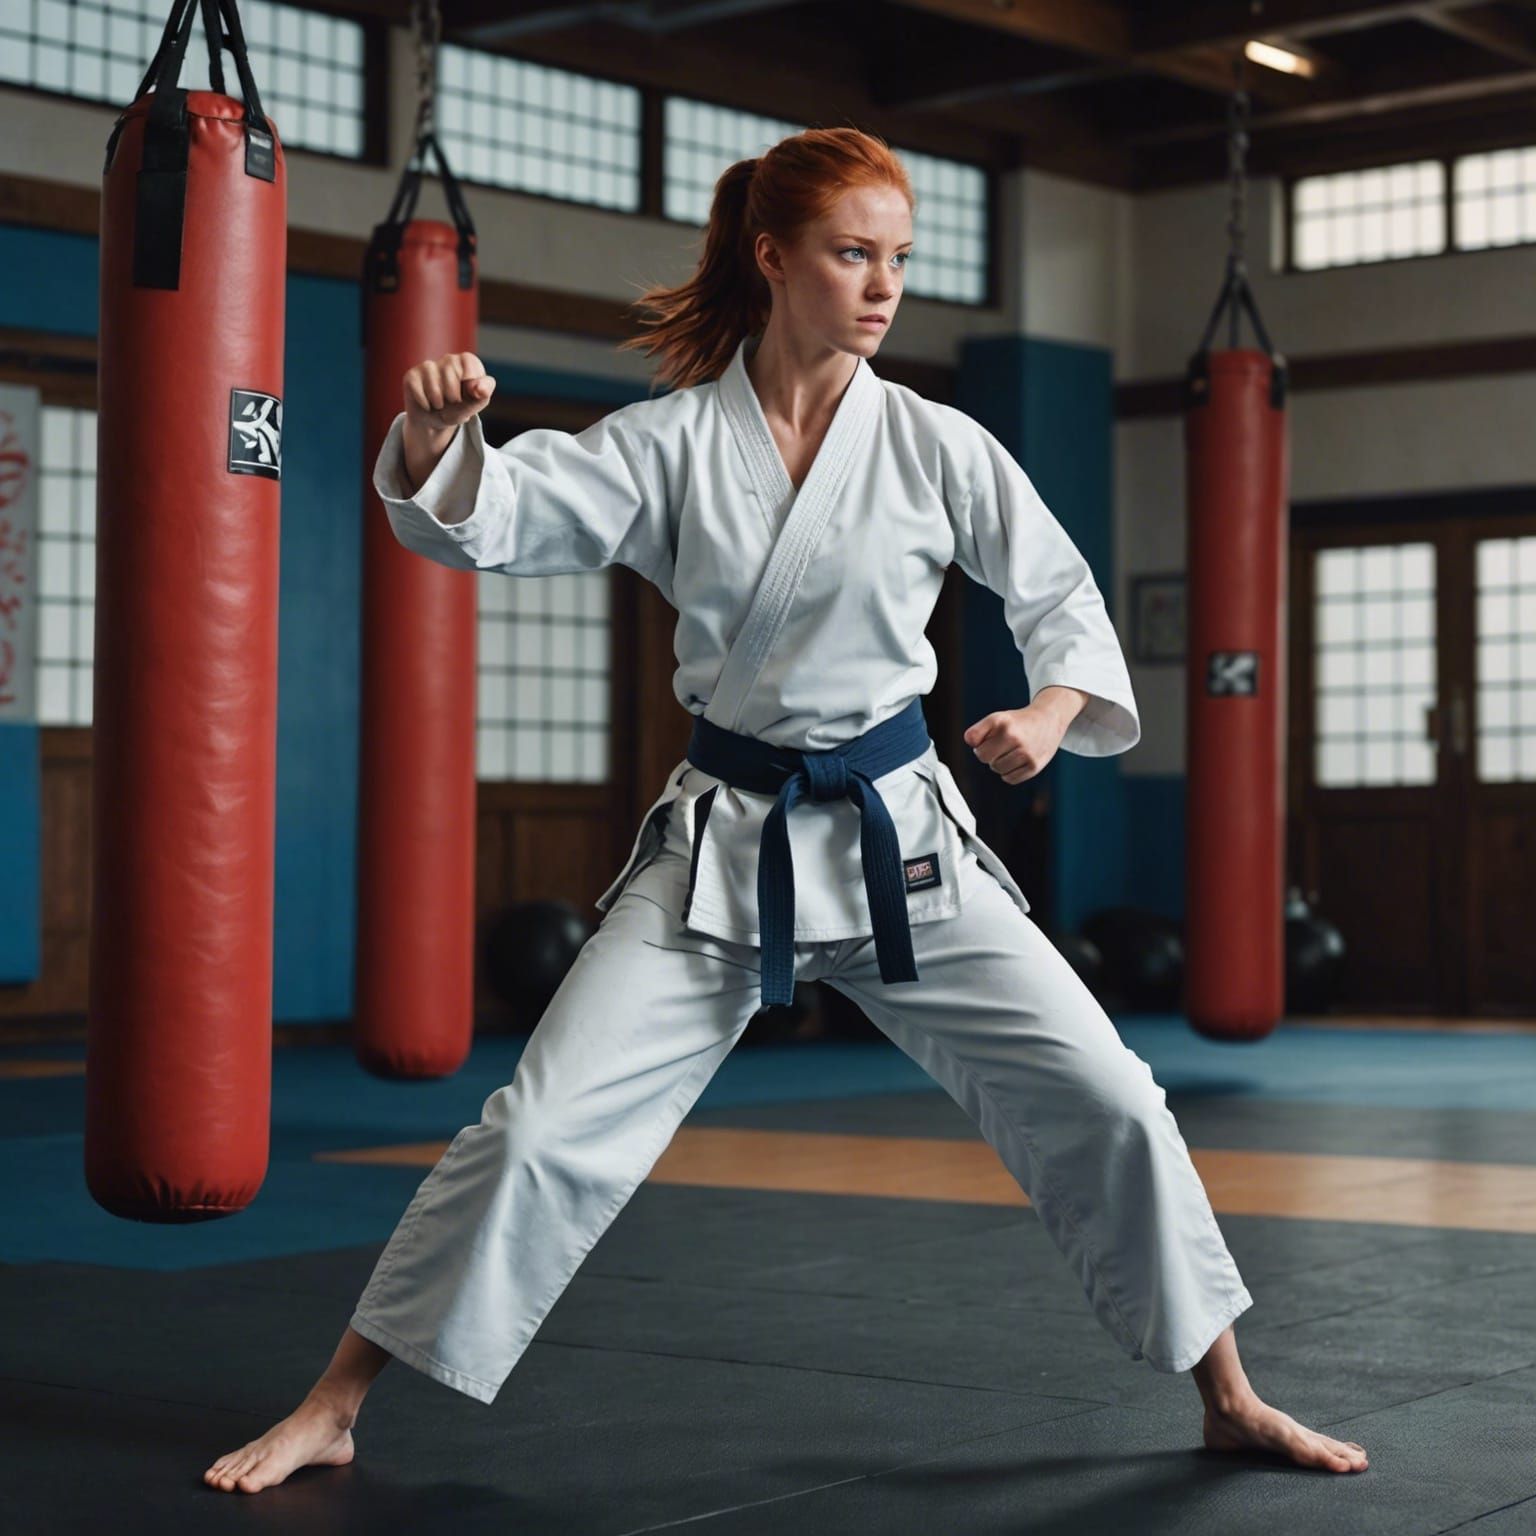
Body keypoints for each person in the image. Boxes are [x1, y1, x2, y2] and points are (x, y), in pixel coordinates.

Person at [205, 126, 1368, 1494]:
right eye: (852, 254)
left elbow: (1061, 598)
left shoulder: (936, 444)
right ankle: (339, 1400)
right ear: (772, 256)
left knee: (1111, 1096)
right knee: (534, 1129)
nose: (884, 288)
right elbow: (497, 514)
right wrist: (435, 436)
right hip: (724, 851)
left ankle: (1229, 1392)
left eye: (899, 261)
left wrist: (1052, 717)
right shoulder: (673, 444)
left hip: (903, 845)